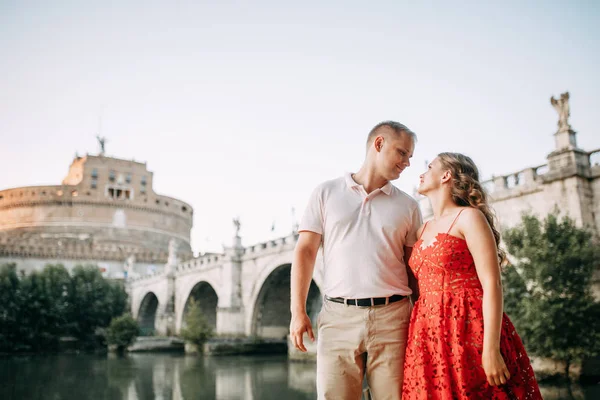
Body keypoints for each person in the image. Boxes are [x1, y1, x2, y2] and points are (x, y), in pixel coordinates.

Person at [290, 121, 423, 400]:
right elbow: (305, 252)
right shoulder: (325, 193)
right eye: (402, 153)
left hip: (394, 319)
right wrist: (297, 311)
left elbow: (413, 267)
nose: (407, 163)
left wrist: (422, 316)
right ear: (378, 144)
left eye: (410, 157)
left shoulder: (408, 206)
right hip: (338, 317)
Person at [402, 153, 542, 399]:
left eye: (430, 167)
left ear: (446, 176)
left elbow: (492, 284)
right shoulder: (421, 229)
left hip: (469, 327)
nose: (421, 173)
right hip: (427, 334)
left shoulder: (469, 217)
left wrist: (490, 349)